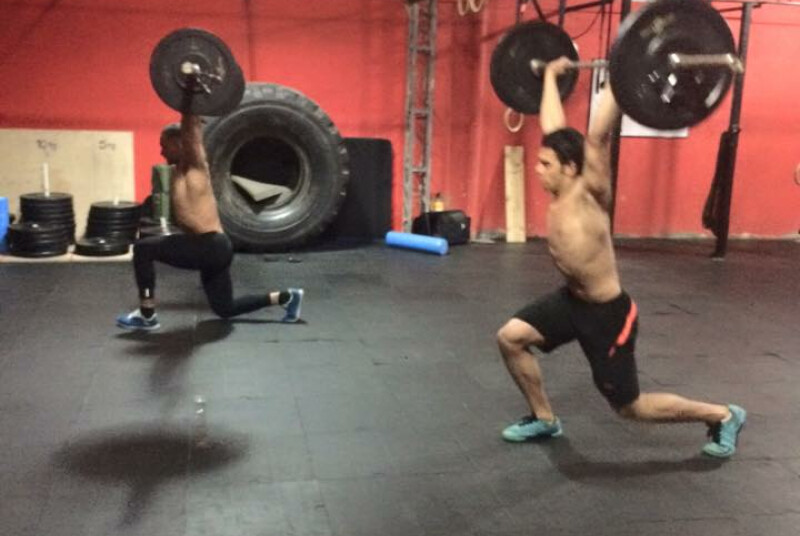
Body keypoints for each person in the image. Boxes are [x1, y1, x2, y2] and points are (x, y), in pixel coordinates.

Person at [495, 58, 746, 458]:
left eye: (545, 164)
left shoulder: (591, 194)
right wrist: (550, 77)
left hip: (608, 314)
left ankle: (722, 415)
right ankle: (544, 418)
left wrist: (623, 73)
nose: (537, 170)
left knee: (631, 407)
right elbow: (554, 125)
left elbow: (597, 136)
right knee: (511, 338)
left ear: (570, 168)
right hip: (572, 301)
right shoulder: (562, 185)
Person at [116, 114, 303, 331]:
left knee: (143, 249)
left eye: (164, 146)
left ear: (180, 143)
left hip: (209, 245)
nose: (161, 152)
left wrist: (189, 105)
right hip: (213, 249)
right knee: (225, 308)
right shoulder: (178, 172)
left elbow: (191, 134)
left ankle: (147, 315)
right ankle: (286, 297)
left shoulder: (195, 167)